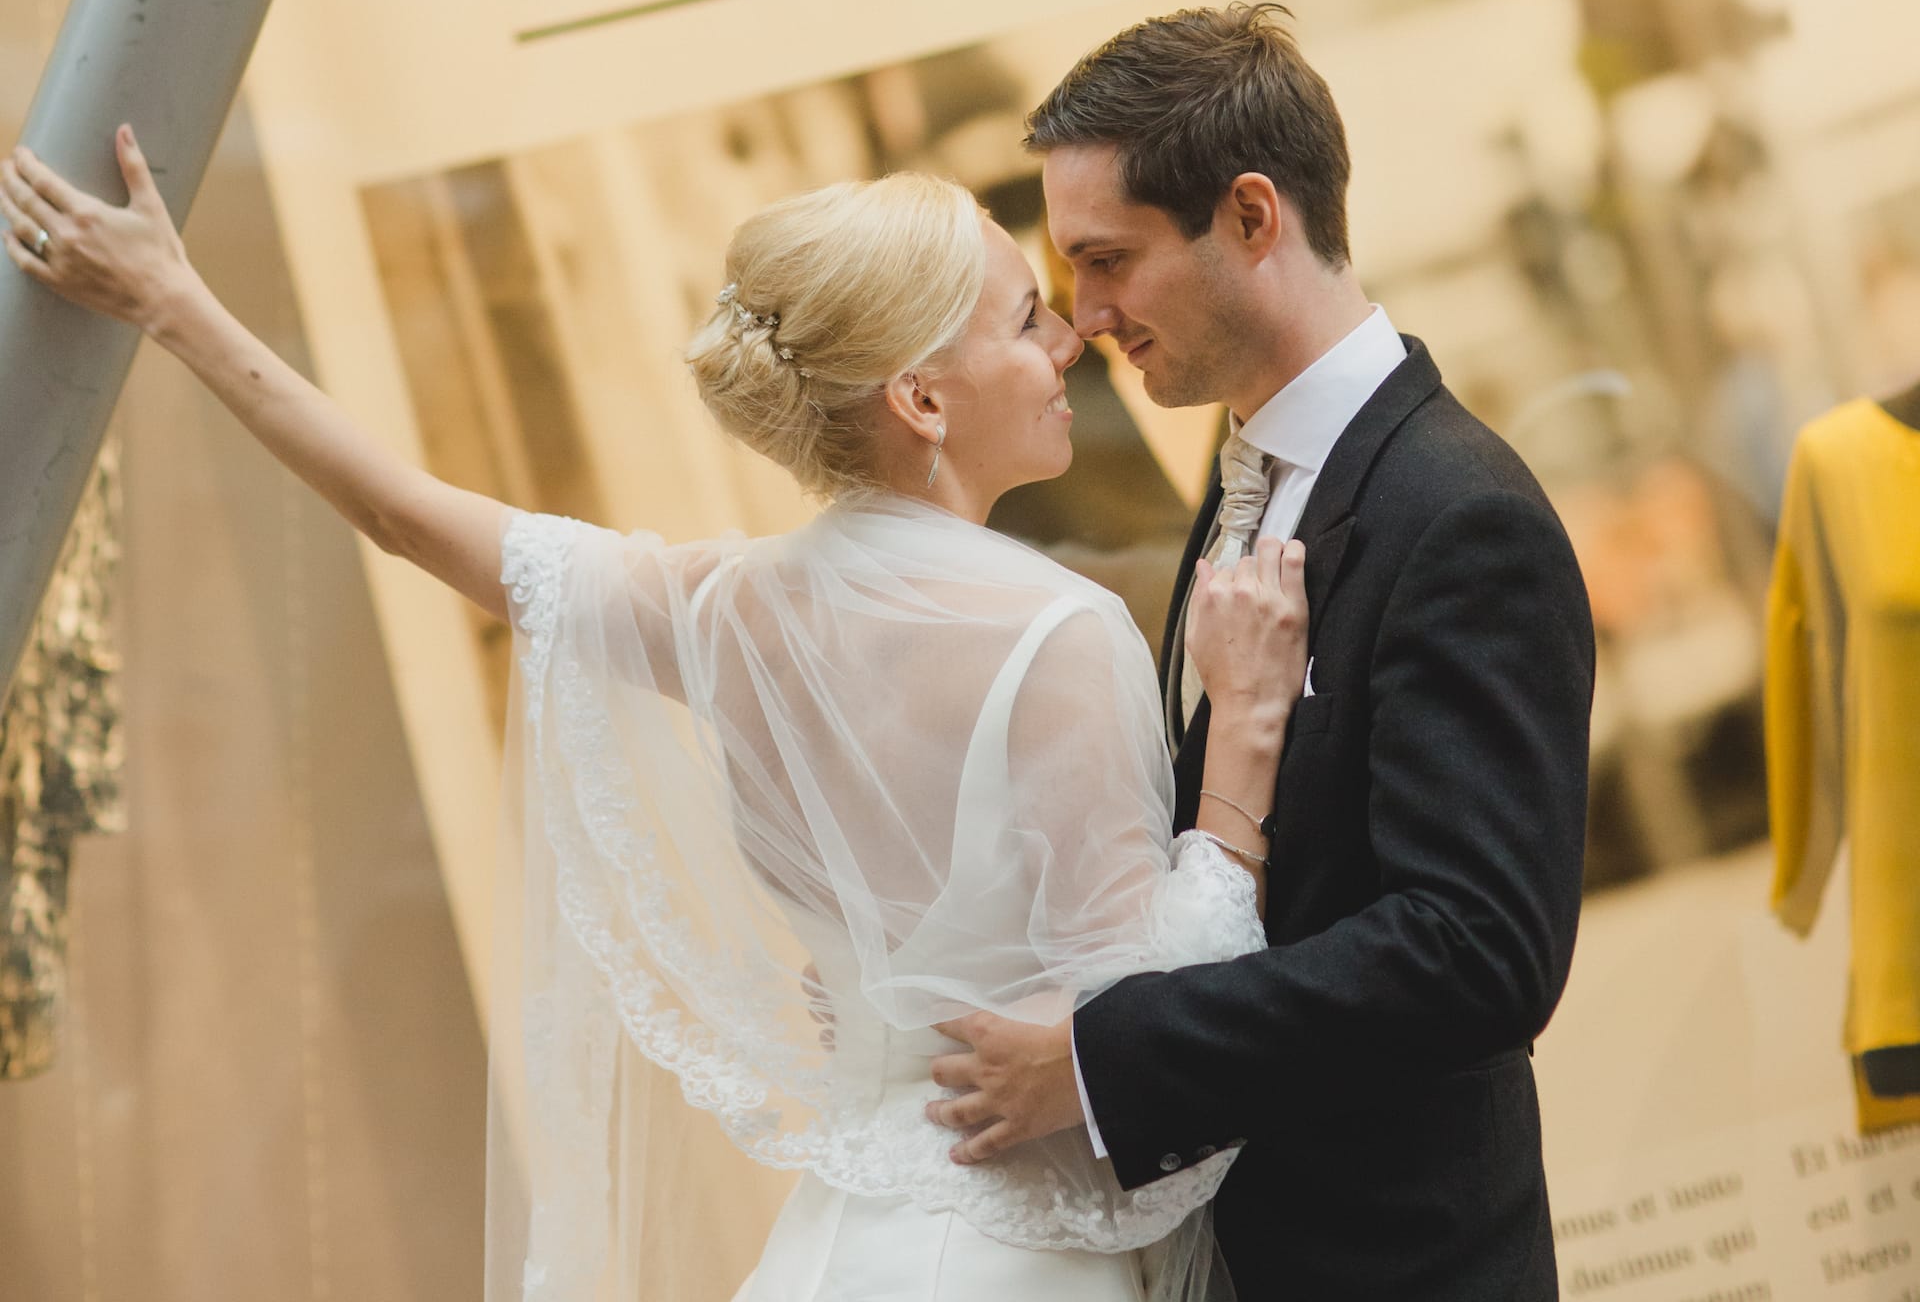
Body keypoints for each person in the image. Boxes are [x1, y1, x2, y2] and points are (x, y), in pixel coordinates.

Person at [0, 131, 1306, 1302]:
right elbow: (1151, 1011)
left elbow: (401, 515)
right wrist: (1243, 741)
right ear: (920, 397)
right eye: (1026, 321)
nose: (1068, 343)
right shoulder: (1060, 632)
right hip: (1006, 1263)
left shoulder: (723, 613)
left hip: (835, 1246)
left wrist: (174, 305)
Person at [926, 6, 1596, 1302]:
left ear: (1248, 216)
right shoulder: (1248, 474)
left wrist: (1099, 1060)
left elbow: (1477, 950)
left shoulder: (1461, 516)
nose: (1085, 316)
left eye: (1108, 261)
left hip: (1399, 1264)